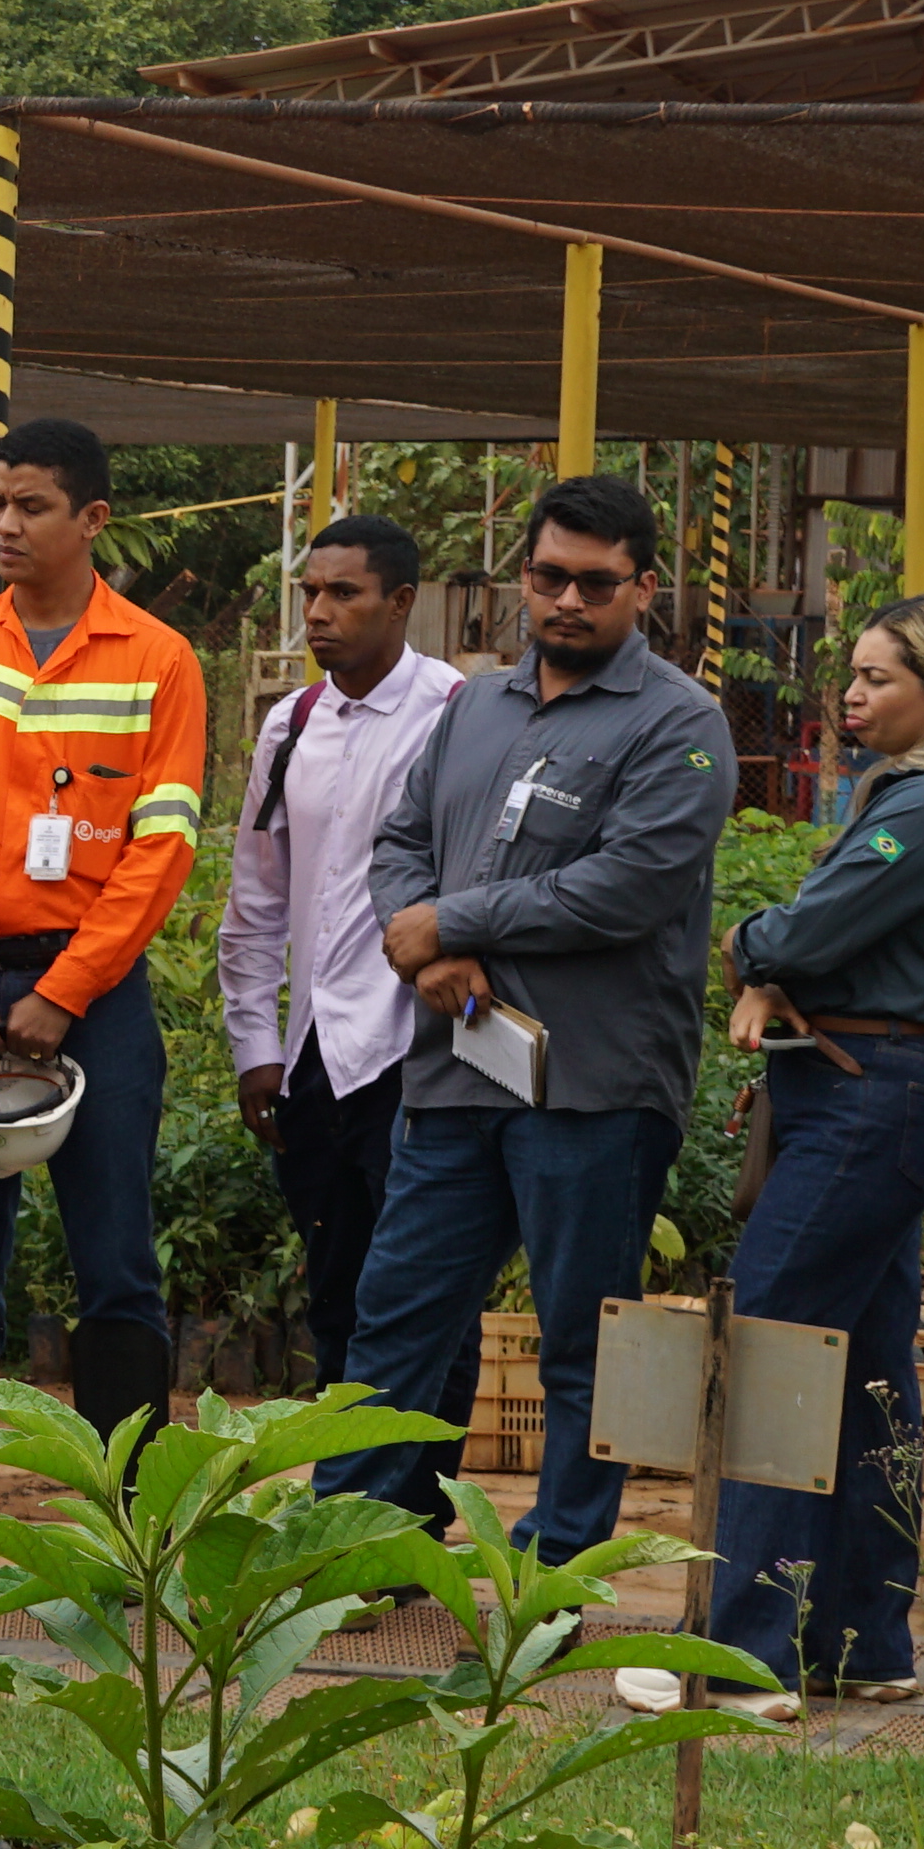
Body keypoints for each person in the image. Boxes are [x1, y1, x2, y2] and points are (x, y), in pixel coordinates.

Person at [330, 474, 728, 1549]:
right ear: (522, 579)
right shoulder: (476, 708)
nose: (566, 601)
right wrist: (426, 952)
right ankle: (342, 1547)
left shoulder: (678, 726)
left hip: (593, 1087)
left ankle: (559, 1558)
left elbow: (628, 886)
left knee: (579, 1337)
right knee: (399, 1317)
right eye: (547, 576)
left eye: (594, 583)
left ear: (641, 589)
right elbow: (398, 843)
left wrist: (454, 922)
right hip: (458, 1066)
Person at [694, 588, 924, 1705]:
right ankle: (860, 1637)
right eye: (850, 672)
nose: (850, 691)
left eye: (878, 676)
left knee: (765, 1352)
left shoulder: (923, 807)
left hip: (862, 1106)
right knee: (869, 1379)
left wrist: (753, 951)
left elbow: (808, 927)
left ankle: (740, 1646)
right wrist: (779, 974)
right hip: (877, 1097)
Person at [0, 417, 211, 1497]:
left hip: (91, 1000)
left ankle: (127, 1521)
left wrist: (64, 993)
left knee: (114, 1268)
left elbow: (161, 851)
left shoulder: (158, 662)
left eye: (30, 507)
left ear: (91, 520)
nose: (3, 526)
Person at [216, 506, 462, 1472]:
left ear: (401, 602)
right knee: (337, 1286)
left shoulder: (454, 714)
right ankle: (358, 1500)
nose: (319, 612)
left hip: (420, 1049)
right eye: (310, 593)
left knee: (426, 1288)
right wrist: (257, 1048)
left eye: (344, 594)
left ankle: (415, 1508)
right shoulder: (294, 722)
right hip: (317, 1056)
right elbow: (257, 897)